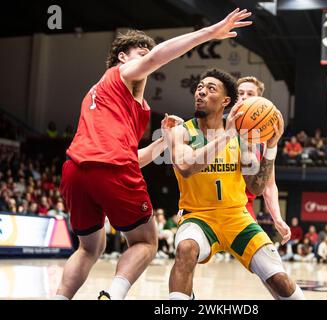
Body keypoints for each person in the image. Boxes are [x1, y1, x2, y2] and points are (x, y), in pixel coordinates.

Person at [55, 8, 253, 301]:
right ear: (123, 57)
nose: (147, 55)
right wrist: (211, 32)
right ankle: (112, 295)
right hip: (110, 169)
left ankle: (59, 298)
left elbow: (130, 157)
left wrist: (162, 142)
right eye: (140, 51)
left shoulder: (107, 96)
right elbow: (158, 57)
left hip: (75, 169)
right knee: (146, 242)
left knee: (89, 248)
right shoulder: (119, 74)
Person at [164, 68, 304, 300]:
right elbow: (186, 167)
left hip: (236, 217)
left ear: (225, 101)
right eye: (199, 87)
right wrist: (226, 136)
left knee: (279, 280)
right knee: (185, 249)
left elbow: (258, 187)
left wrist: (271, 146)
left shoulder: (244, 138)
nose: (201, 93)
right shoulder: (182, 132)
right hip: (198, 217)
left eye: (210, 89)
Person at [237, 77, 290, 247]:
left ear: (259, 102)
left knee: (265, 256)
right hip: (216, 204)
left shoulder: (263, 140)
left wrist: (278, 219)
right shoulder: (220, 126)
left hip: (244, 207)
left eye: (250, 94)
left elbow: (268, 185)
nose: (244, 97)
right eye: (240, 93)